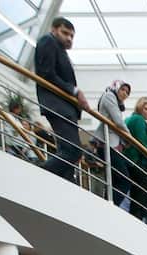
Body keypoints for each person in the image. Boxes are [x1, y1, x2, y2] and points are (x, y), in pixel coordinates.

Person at [34, 17, 89, 181]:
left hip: (64, 107)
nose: (69, 38)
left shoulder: (59, 49)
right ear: (53, 29)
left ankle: (64, 185)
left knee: (69, 152)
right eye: (65, 33)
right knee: (72, 151)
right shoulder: (48, 41)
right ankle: (38, 175)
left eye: (72, 36)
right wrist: (74, 91)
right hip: (58, 105)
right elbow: (46, 74)